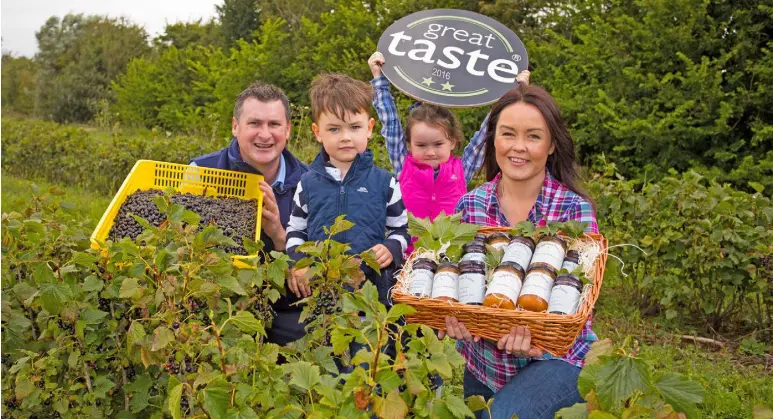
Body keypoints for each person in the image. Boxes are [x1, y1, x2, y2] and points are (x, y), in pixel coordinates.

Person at [442, 84, 599, 419]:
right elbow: (457, 282)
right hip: (486, 364)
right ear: (493, 139)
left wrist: (541, 338)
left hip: (557, 358)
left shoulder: (573, 210)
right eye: (508, 133)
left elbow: (583, 304)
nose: (518, 147)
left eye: (533, 136)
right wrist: (455, 319)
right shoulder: (471, 206)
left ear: (552, 144)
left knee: (503, 416)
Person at [367, 52, 530, 255]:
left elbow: (485, 133)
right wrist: (379, 79)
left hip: (451, 257)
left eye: (438, 144)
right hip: (409, 256)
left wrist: (512, 92)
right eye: (421, 145)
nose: (430, 152)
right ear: (409, 145)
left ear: (452, 141)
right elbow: (390, 122)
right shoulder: (404, 164)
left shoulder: (461, 168)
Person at [189, 82, 309, 346]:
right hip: (219, 306)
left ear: (287, 130)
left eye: (274, 125)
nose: (264, 135)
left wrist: (278, 233)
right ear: (235, 126)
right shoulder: (200, 172)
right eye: (254, 123)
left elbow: (314, 275)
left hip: (285, 309)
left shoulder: (310, 184)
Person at [285, 73, 410, 309]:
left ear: (369, 128)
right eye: (334, 129)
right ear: (317, 132)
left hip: (370, 297)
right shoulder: (308, 183)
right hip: (320, 295)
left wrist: (391, 248)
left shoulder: (385, 182)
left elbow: (400, 229)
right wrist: (299, 261)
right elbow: (296, 231)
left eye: (354, 127)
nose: (345, 137)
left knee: (369, 345)